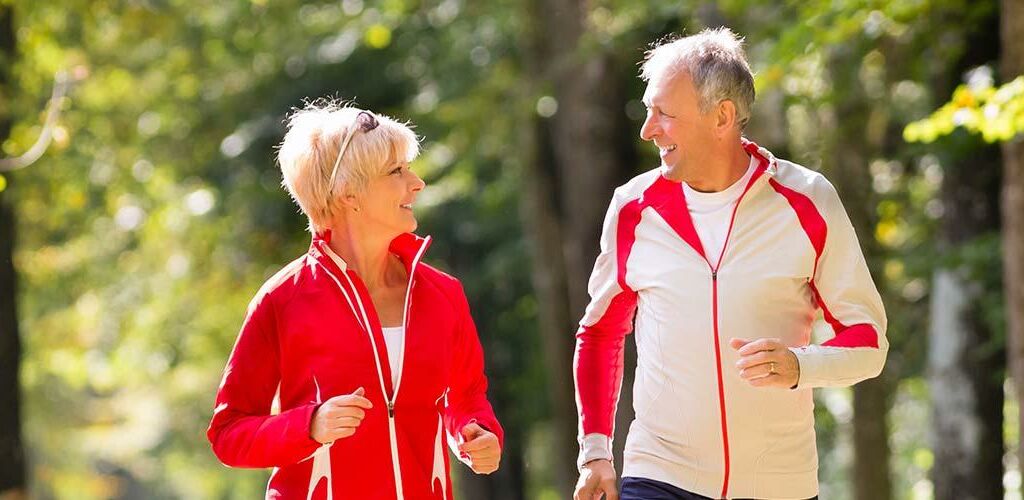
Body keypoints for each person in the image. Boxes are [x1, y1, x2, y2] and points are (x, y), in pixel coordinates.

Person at [572, 28, 887, 500]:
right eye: (648, 111)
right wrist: (595, 451)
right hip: (660, 475)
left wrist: (801, 366)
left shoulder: (808, 202)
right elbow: (600, 333)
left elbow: (869, 342)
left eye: (664, 113)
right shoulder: (634, 208)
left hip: (779, 485)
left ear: (722, 117)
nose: (648, 129)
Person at [207, 101, 503, 500]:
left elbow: (466, 398)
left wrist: (477, 431)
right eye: (396, 172)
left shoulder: (442, 294)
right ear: (349, 193)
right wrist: (309, 425)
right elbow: (229, 434)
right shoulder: (283, 299)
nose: (417, 183)